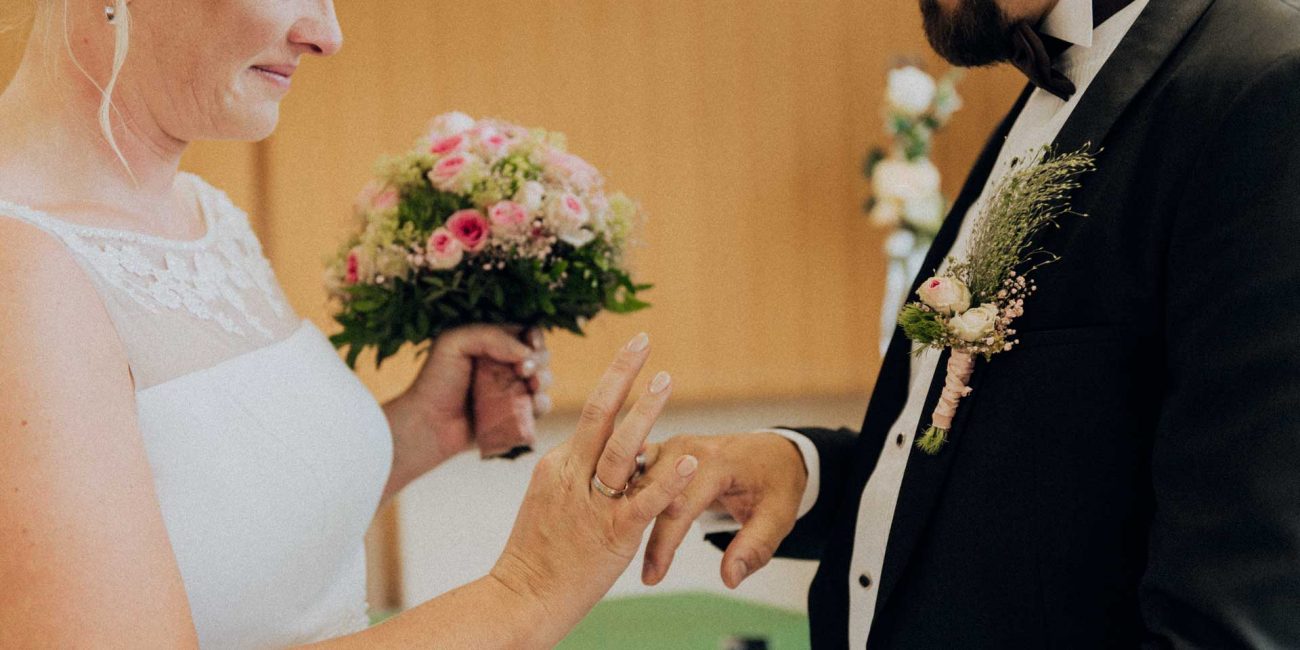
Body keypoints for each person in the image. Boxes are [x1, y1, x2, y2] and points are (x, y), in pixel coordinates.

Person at [0, 1, 697, 647]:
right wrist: (528, 592)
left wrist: (417, 431)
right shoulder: (20, 270)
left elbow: (213, 526)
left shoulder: (200, 212)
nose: (326, 35)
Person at [639, 0, 1300, 647]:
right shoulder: (1055, 89)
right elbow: (1018, 488)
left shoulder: (1266, 83)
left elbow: (1243, 590)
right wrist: (803, 469)